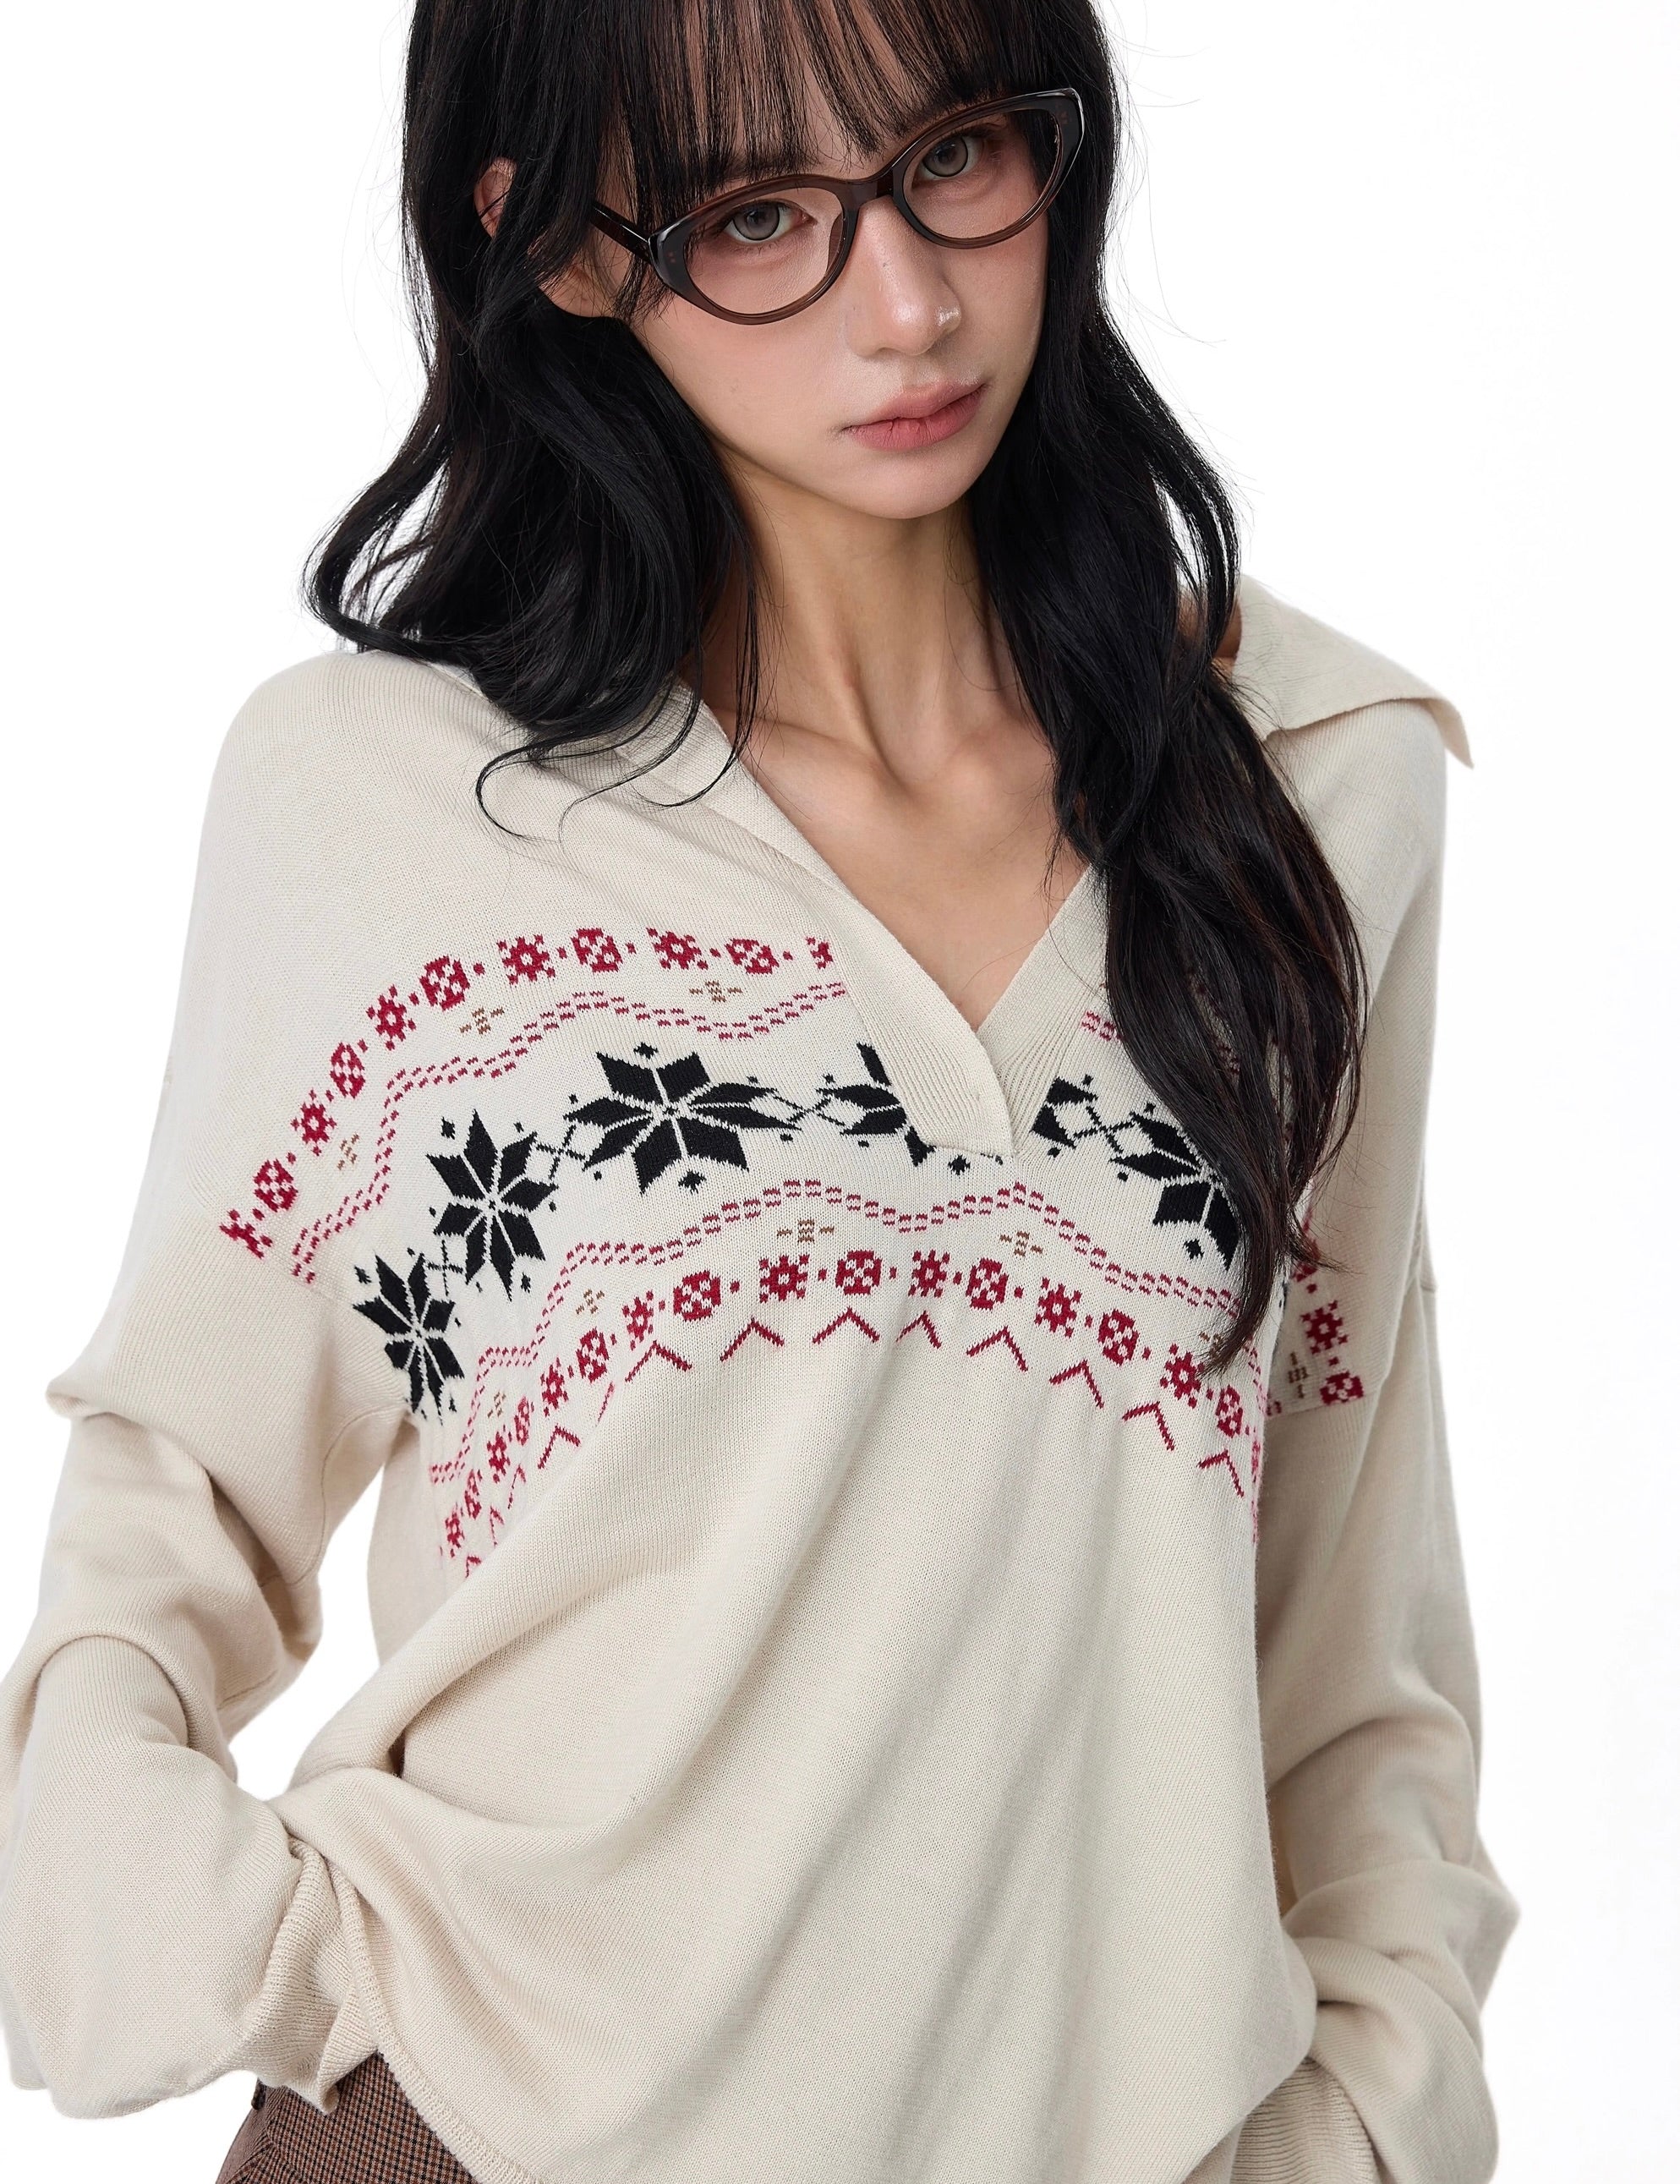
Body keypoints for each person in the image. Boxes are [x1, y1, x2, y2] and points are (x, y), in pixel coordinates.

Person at [0, 2, 1521, 2181]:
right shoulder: (382, 806)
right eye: (755, 219)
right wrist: (270, 1968)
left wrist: (1366, 2120)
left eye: (960, 157)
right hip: (471, 2131)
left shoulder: (1307, 788)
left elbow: (1351, 1609)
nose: (905, 306)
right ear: (561, 242)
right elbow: (172, 1504)